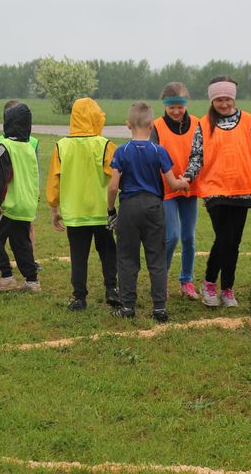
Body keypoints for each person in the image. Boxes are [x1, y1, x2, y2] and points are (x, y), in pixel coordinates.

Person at [182, 76, 251, 308]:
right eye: (219, 100)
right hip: (214, 189)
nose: (224, 104)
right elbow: (196, 156)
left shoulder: (248, 120)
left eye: (227, 99)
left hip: (242, 189)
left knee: (233, 242)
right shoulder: (203, 124)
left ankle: (227, 288)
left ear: (233, 98)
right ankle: (209, 283)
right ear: (212, 100)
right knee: (224, 238)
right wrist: (187, 177)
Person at [108, 102, 189, 322]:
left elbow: (113, 187)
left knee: (127, 258)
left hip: (129, 207)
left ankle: (127, 306)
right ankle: (159, 308)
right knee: (156, 258)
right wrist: (184, 182)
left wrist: (111, 210)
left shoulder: (121, 151)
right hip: (154, 207)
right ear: (152, 125)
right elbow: (172, 183)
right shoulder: (158, 150)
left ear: (128, 125)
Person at [46, 97, 120, 311]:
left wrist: (54, 208)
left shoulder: (62, 146)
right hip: (102, 211)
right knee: (108, 252)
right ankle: (112, 289)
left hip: (75, 214)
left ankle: (79, 297)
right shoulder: (105, 145)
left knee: (78, 256)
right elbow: (117, 176)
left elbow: (54, 180)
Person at [150, 82, 200, 299]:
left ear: (186, 104)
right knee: (171, 237)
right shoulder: (156, 126)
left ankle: (186, 281)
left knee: (189, 237)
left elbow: (201, 154)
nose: (177, 111)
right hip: (167, 189)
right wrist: (171, 180)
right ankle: (160, 280)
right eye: (172, 107)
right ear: (165, 106)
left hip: (190, 187)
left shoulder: (198, 124)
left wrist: (188, 177)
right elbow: (152, 156)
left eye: (180, 106)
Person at [0, 103, 41, 293]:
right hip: (26, 205)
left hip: (9, 205)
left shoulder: (5, 146)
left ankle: (6, 277)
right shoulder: (29, 148)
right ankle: (32, 281)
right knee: (22, 244)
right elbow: (34, 177)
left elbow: (2, 176)